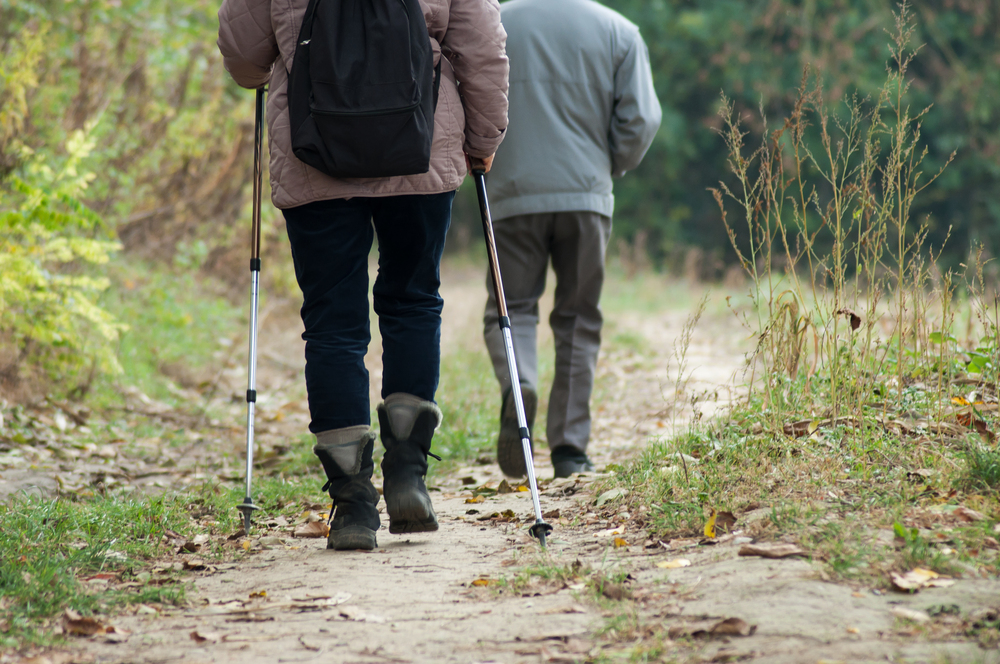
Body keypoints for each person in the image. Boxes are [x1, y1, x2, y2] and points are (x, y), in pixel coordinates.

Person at [218, 0, 508, 551]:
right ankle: (407, 476)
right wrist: (483, 141)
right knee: (413, 301)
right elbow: (482, 49)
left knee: (332, 326)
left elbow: (244, 57)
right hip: (419, 153)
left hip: (314, 158)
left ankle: (352, 504)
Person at [483, 0, 661, 479]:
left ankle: (519, 388)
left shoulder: (492, 22)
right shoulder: (619, 31)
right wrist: (608, 166)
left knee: (511, 307)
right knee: (579, 318)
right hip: (586, 197)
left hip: (511, 194)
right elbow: (641, 120)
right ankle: (569, 450)